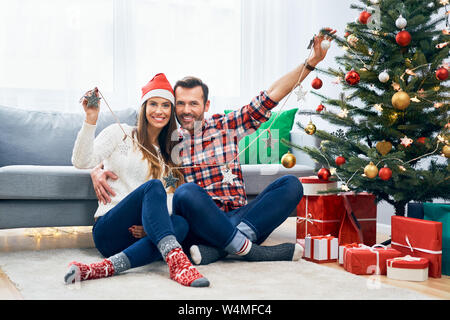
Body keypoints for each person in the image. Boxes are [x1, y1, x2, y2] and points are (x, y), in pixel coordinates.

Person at [91, 30, 335, 265]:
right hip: (200, 224)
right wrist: (97, 168)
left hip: (240, 217)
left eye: (193, 103)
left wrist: (310, 62)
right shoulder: (167, 141)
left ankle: (221, 248)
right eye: (181, 104)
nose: (186, 110)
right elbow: (132, 153)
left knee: (291, 185)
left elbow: (270, 95)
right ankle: (248, 250)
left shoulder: (226, 125)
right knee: (187, 193)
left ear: (206, 105)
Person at [64, 73, 209, 288]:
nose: (159, 111)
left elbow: (170, 196)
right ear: (143, 107)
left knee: (181, 224)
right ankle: (178, 263)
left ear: (171, 112)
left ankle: (106, 267)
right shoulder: (120, 133)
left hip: (142, 235)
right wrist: (91, 118)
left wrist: (151, 225)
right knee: (153, 186)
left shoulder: (172, 151)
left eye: (165, 106)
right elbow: (81, 161)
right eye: (153, 104)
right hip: (110, 229)